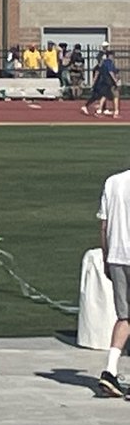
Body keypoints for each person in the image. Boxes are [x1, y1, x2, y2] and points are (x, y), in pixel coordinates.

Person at [98, 161, 130, 396]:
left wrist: (106, 257)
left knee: (124, 317)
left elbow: (104, 225)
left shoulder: (113, 182)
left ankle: (110, 370)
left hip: (117, 256)